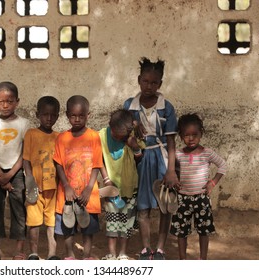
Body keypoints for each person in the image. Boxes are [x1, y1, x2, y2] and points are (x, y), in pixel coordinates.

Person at [123, 57, 178, 260]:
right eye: (145, 81)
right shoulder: (130, 105)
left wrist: (171, 170)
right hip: (140, 159)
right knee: (143, 204)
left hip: (162, 158)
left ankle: (161, 248)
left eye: (154, 82)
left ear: (160, 84)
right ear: (139, 80)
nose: (149, 86)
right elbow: (125, 134)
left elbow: (171, 142)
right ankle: (146, 248)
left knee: (166, 204)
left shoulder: (167, 107)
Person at [53, 95, 103, 260]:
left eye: (81, 116)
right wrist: (66, 185)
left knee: (88, 226)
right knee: (67, 226)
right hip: (67, 192)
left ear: (89, 115)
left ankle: (87, 256)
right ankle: (70, 255)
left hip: (88, 192)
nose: (77, 119)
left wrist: (89, 188)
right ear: (67, 115)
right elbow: (58, 163)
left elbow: (96, 164)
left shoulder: (94, 136)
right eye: (73, 115)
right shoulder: (62, 138)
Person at [170, 113, 226, 260]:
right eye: (186, 135)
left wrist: (213, 182)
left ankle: (203, 260)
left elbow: (222, 165)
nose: (191, 138)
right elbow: (170, 170)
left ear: (201, 133)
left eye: (195, 134)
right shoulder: (177, 154)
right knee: (181, 231)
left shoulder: (207, 153)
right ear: (181, 136)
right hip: (182, 199)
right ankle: (182, 259)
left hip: (202, 199)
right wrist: (174, 178)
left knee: (203, 231)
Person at [0, 81, 29, 260]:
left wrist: (10, 175)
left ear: (17, 102)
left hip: (16, 172)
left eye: (9, 101)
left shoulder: (24, 124)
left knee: (18, 209)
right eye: (1, 101)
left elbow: (25, 153)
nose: (5, 105)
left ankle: (19, 251)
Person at [99, 109, 142, 260]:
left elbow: (139, 159)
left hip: (130, 188)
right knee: (111, 221)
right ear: (110, 125)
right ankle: (111, 253)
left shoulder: (132, 138)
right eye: (115, 134)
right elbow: (99, 160)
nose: (116, 137)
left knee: (127, 223)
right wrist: (106, 180)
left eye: (120, 136)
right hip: (111, 188)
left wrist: (135, 147)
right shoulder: (102, 136)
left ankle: (122, 253)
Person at [23, 96, 61, 260]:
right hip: (35, 187)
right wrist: (30, 180)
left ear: (58, 116)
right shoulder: (31, 134)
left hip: (53, 188)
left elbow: (61, 163)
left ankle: (52, 253)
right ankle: (34, 252)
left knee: (52, 222)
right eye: (45, 114)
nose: (49, 118)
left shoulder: (59, 137)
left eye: (53, 115)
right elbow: (26, 160)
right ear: (38, 114)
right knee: (34, 221)